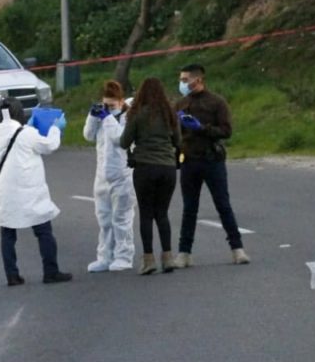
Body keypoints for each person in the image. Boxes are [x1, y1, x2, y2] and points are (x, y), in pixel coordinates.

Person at [0, 99, 73, 286]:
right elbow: (49, 145)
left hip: (5, 192)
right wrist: (55, 128)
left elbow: (12, 137)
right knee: (44, 231)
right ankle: (51, 271)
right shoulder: (27, 134)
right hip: (30, 193)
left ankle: (12, 275)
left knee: (8, 233)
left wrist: (28, 128)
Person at [173, 63, 250, 268]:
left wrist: (201, 128)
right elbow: (174, 133)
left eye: (185, 80)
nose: (182, 83)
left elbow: (226, 130)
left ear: (198, 80)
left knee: (223, 205)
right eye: (181, 80)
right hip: (189, 160)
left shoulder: (217, 102)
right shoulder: (180, 104)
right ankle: (184, 252)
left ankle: (237, 248)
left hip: (211, 159)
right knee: (189, 208)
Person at [120, 77, 181, 275]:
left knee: (146, 214)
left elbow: (124, 142)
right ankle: (168, 257)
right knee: (162, 213)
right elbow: (178, 141)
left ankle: (148, 259)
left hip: (145, 166)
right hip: (167, 168)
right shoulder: (169, 113)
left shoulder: (136, 113)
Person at [83, 80, 135, 273]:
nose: (109, 109)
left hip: (122, 175)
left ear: (121, 102)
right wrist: (92, 116)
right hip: (102, 176)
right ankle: (105, 256)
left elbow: (119, 139)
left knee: (121, 219)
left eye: (112, 105)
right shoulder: (103, 118)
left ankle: (124, 256)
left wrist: (107, 118)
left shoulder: (127, 117)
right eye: (106, 105)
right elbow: (88, 135)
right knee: (104, 220)